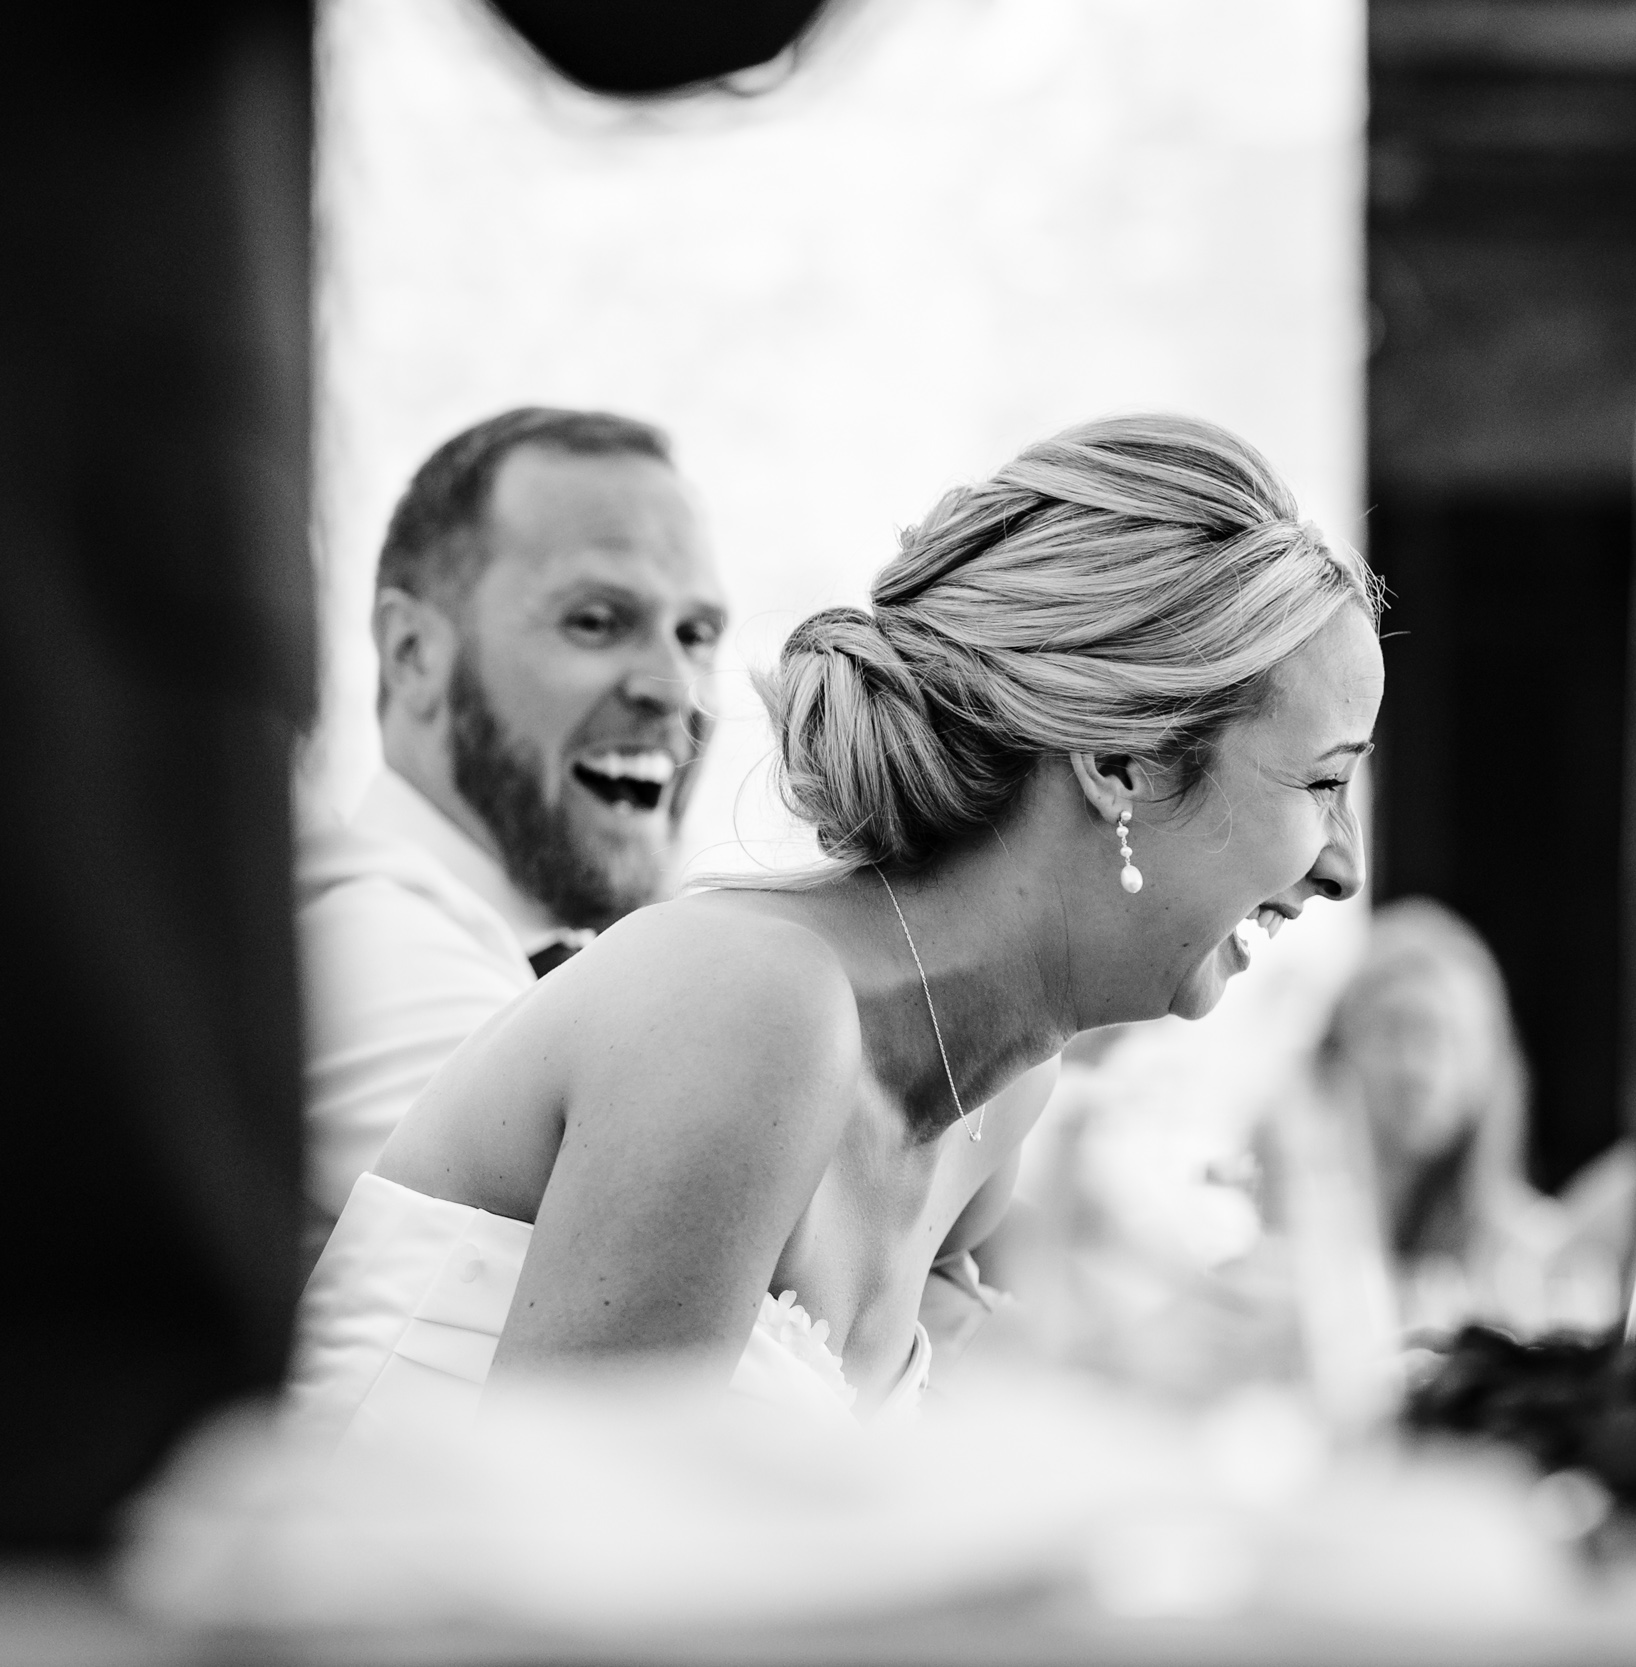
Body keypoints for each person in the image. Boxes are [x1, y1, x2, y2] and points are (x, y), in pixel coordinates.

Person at [292, 413, 1385, 1447]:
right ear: (1118, 761)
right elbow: (574, 1551)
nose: (1345, 866)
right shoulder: (747, 1004)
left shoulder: (997, 1099)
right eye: (1324, 782)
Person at [297, 408, 728, 1238]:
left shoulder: (590, 970)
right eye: (596, 621)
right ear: (414, 653)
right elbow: (671, 1275)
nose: (676, 689)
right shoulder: (372, 951)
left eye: (697, 634)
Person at [1301, 898, 1636, 1334]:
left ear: (1491, 1063)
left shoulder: (1529, 1259)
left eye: (1448, 1037)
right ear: (1337, 1048)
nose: (1416, 1068)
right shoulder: (1289, 1228)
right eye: (1392, 1030)